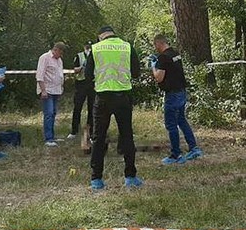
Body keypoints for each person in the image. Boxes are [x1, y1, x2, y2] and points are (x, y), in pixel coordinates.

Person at [84, 25, 142, 190]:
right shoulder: (127, 47)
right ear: (113, 34)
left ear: (100, 36)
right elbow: (136, 73)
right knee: (127, 136)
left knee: (98, 138)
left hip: (103, 97)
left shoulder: (96, 49)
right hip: (123, 97)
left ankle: (96, 179)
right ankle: (130, 177)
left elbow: (87, 75)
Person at [150, 34, 203, 165]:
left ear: (159, 43)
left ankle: (176, 155)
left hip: (172, 94)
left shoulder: (163, 57)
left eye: (155, 45)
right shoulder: (175, 54)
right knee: (181, 120)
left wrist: (153, 66)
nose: (155, 48)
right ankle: (194, 148)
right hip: (181, 91)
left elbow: (159, 78)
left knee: (171, 124)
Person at [36, 42, 67, 147]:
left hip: (56, 90)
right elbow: (40, 75)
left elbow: (60, 75)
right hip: (47, 90)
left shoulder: (59, 60)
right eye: (60, 53)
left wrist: (61, 88)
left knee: (53, 113)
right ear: (56, 49)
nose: (61, 55)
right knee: (48, 113)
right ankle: (48, 138)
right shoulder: (44, 58)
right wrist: (43, 90)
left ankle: (52, 137)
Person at [69, 41, 94, 142]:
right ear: (84, 47)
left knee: (92, 108)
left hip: (92, 83)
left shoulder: (95, 55)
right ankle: (74, 131)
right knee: (77, 107)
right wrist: (81, 68)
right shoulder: (79, 56)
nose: (88, 48)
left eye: (90, 46)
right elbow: (74, 70)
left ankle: (91, 131)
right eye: (87, 47)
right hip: (81, 84)